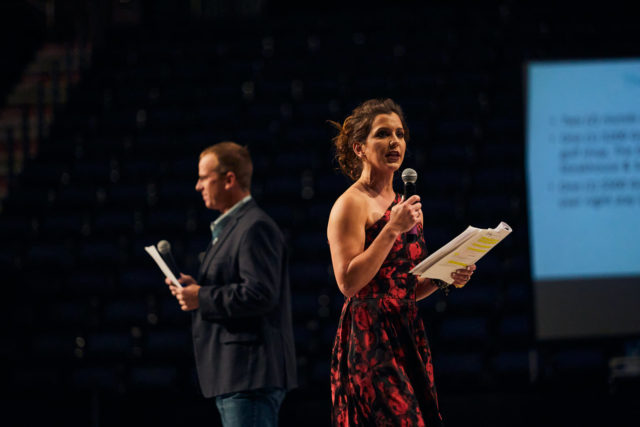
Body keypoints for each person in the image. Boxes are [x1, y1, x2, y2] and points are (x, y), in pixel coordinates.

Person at [327, 98, 476, 426]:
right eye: (382, 134)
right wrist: (392, 228)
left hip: (407, 330)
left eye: (399, 134)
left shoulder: (405, 206)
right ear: (360, 148)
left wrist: (446, 276)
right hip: (369, 334)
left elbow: (407, 287)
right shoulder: (351, 204)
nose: (394, 141)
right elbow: (348, 283)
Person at [165, 141, 297, 427]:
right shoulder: (237, 226)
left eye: (204, 177)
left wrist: (202, 297)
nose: (198, 186)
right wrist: (198, 289)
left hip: (250, 375)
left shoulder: (254, 226)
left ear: (229, 180)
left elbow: (260, 293)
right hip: (239, 375)